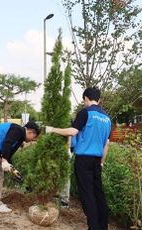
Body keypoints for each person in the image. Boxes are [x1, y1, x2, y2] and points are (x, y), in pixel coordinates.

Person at [46, 87, 111, 230]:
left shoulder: (85, 112)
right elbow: (106, 144)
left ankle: (93, 227)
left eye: (84, 101)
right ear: (98, 99)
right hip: (97, 161)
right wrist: (101, 163)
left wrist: (52, 129)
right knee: (98, 193)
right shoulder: (107, 118)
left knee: (87, 196)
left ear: (86, 98)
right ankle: (103, 226)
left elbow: (72, 131)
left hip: (83, 160)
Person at [0, 121, 40, 213]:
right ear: (31, 132)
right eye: (34, 138)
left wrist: (11, 169)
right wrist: (4, 160)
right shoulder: (18, 130)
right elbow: (7, 143)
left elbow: (8, 153)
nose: (33, 140)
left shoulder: (20, 137)